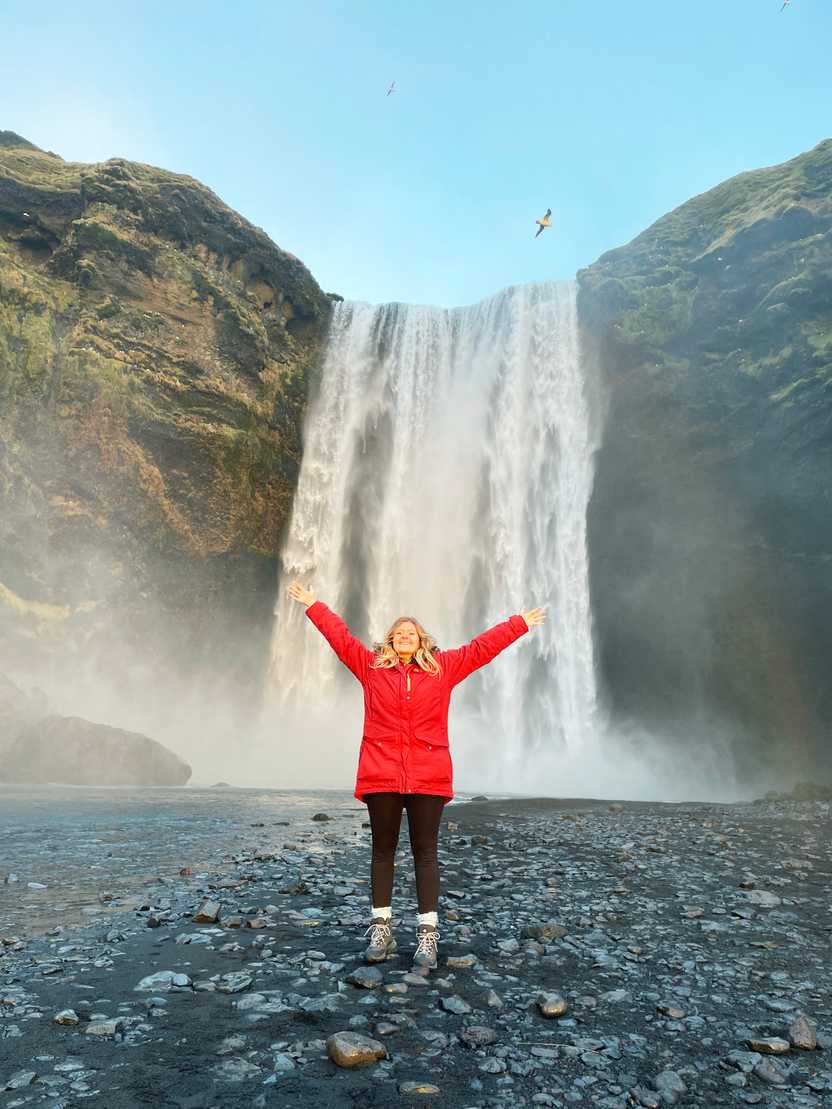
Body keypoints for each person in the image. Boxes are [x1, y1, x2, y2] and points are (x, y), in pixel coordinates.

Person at [287, 579, 546, 970]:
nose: (403, 636)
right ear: (389, 643)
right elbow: (340, 638)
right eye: (397, 633)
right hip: (381, 772)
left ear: (422, 640)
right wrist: (313, 604)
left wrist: (518, 624)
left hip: (428, 773)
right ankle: (382, 929)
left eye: (410, 632)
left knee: (426, 853)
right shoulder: (370, 668)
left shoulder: (444, 669)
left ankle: (428, 936)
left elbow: (481, 649)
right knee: (382, 852)